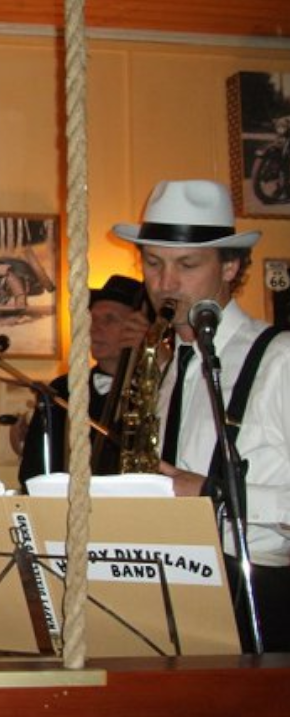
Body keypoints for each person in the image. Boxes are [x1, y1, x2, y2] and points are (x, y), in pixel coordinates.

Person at [112, 178, 290, 653]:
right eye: (153, 263)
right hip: (167, 584)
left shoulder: (281, 359)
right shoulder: (169, 362)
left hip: (257, 595)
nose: (164, 284)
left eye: (187, 265)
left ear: (230, 266)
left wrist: (213, 494)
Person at [17, 275, 151, 488]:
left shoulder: (155, 390)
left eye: (110, 319)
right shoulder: (62, 390)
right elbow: (34, 470)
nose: (95, 328)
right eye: (92, 318)